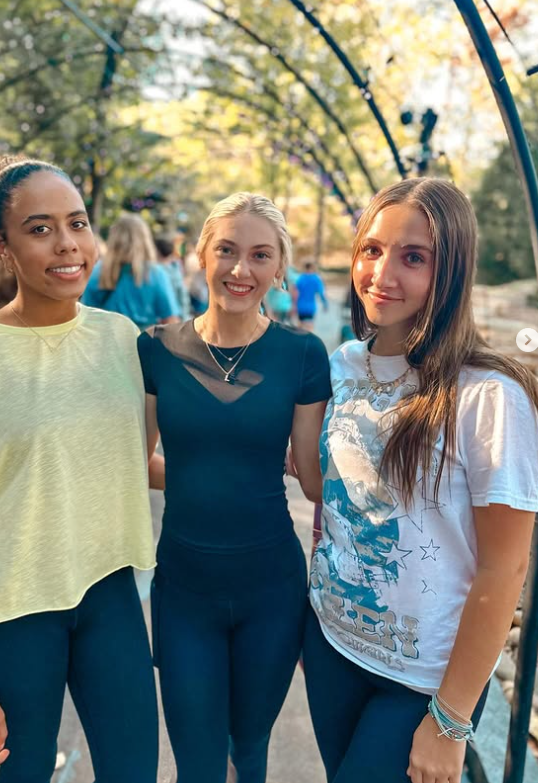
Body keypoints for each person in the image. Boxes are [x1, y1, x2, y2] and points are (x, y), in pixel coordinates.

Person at [0, 155, 160, 783]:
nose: (67, 243)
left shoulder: (123, 340)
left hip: (110, 596)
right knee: (25, 774)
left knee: (133, 771)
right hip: (14, 611)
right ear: (2, 248)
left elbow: (123, 461)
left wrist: (242, 467)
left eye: (78, 222)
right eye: (40, 228)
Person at [296, 178, 538, 783]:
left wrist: (451, 720)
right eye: (372, 250)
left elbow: (505, 567)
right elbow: (327, 494)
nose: (382, 274)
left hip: (421, 682)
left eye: (413, 258)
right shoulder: (343, 365)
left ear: (450, 271)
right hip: (330, 646)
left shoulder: (488, 396)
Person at [137, 192, 332, 783]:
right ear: (201, 255)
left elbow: (314, 482)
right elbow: (134, 463)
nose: (241, 269)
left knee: (248, 751)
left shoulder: (303, 354)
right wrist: (204, 476)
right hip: (184, 591)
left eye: (260, 255)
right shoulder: (157, 348)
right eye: (226, 250)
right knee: (197, 764)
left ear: (279, 268)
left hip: (270, 592)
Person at [82, 213, 180, 329]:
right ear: (145, 239)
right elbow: (170, 320)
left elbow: (86, 318)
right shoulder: (155, 274)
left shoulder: (96, 272)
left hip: (104, 338)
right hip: (143, 338)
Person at [155, 233, 192, 320]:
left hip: (166, 320)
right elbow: (183, 296)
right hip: (178, 318)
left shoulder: (157, 273)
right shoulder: (175, 268)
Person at [296, 258, 328, 329]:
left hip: (301, 306)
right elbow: (321, 293)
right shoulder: (316, 279)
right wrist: (325, 304)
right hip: (310, 307)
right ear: (312, 267)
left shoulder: (300, 278)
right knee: (309, 327)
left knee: (300, 327)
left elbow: (295, 292)